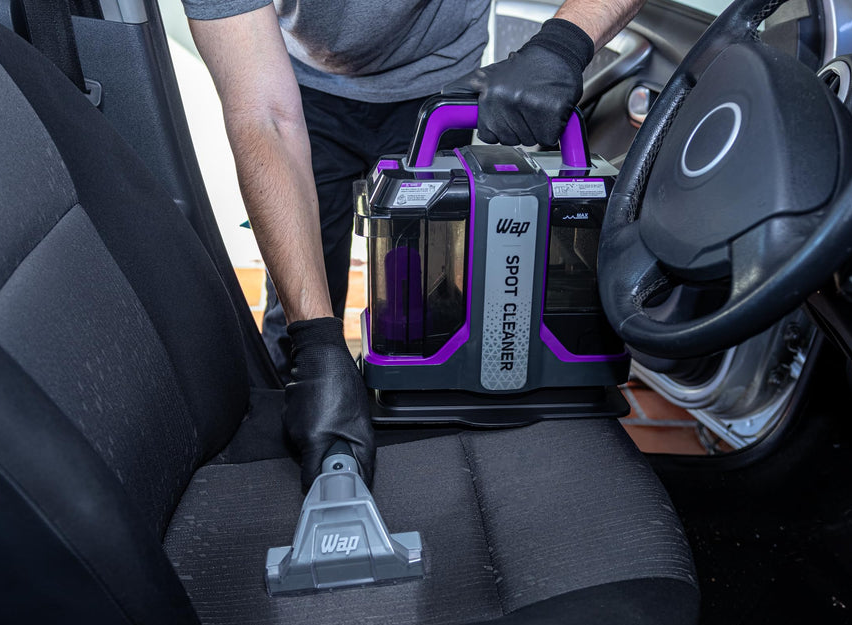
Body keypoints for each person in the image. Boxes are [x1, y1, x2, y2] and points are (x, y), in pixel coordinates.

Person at [181, 0, 645, 490]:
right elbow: (264, 113)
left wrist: (561, 45)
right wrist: (314, 346)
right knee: (299, 313)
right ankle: (298, 410)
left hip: (439, 83)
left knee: (437, 291)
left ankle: (433, 435)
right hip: (302, 89)